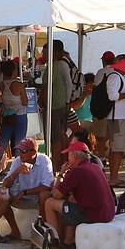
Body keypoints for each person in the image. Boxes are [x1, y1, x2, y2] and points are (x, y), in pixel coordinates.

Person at [44, 141, 116, 249]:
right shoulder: (95, 167)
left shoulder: (77, 171)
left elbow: (56, 195)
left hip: (95, 215)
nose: (67, 158)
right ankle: (68, 242)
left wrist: (61, 174)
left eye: (68, 155)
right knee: (72, 200)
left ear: (74, 156)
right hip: (108, 212)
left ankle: (54, 245)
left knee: (49, 203)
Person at [1, 138, 54, 231]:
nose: (20, 154)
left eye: (24, 151)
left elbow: (48, 185)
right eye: (19, 151)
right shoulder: (17, 161)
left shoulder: (44, 160)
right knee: (1, 196)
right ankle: (14, 231)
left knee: (44, 194)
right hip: (19, 196)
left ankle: (41, 225)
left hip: (36, 196)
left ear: (34, 152)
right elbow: (5, 184)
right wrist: (16, 172)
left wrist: (24, 192)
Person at [105, 60, 125, 188]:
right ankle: (113, 178)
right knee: (118, 149)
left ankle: (114, 177)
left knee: (116, 149)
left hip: (119, 117)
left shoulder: (119, 77)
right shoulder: (114, 77)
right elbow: (112, 96)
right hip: (117, 117)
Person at [41, 40, 73, 171]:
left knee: (56, 137)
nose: (43, 54)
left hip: (56, 106)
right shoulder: (56, 64)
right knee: (58, 135)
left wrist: (66, 102)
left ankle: (55, 165)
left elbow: (68, 84)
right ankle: (58, 164)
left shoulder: (59, 65)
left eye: (46, 51)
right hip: (56, 105)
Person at [0, 60, 28, 156]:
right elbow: (25, 102)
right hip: (20, 115)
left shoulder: (1, 85)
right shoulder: (18, 85)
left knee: (3, 140)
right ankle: (18, 162)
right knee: (20, 141)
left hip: (7, 115)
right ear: (13, 71)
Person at [91, 51, 116, 159]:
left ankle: (101, 158)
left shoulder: (101, 72)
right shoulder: (117, 72)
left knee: (100, 137)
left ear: (103, 61)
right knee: (112, 138)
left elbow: (95, 88)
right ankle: (109, 158)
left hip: (102, 109)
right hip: (115, 109)